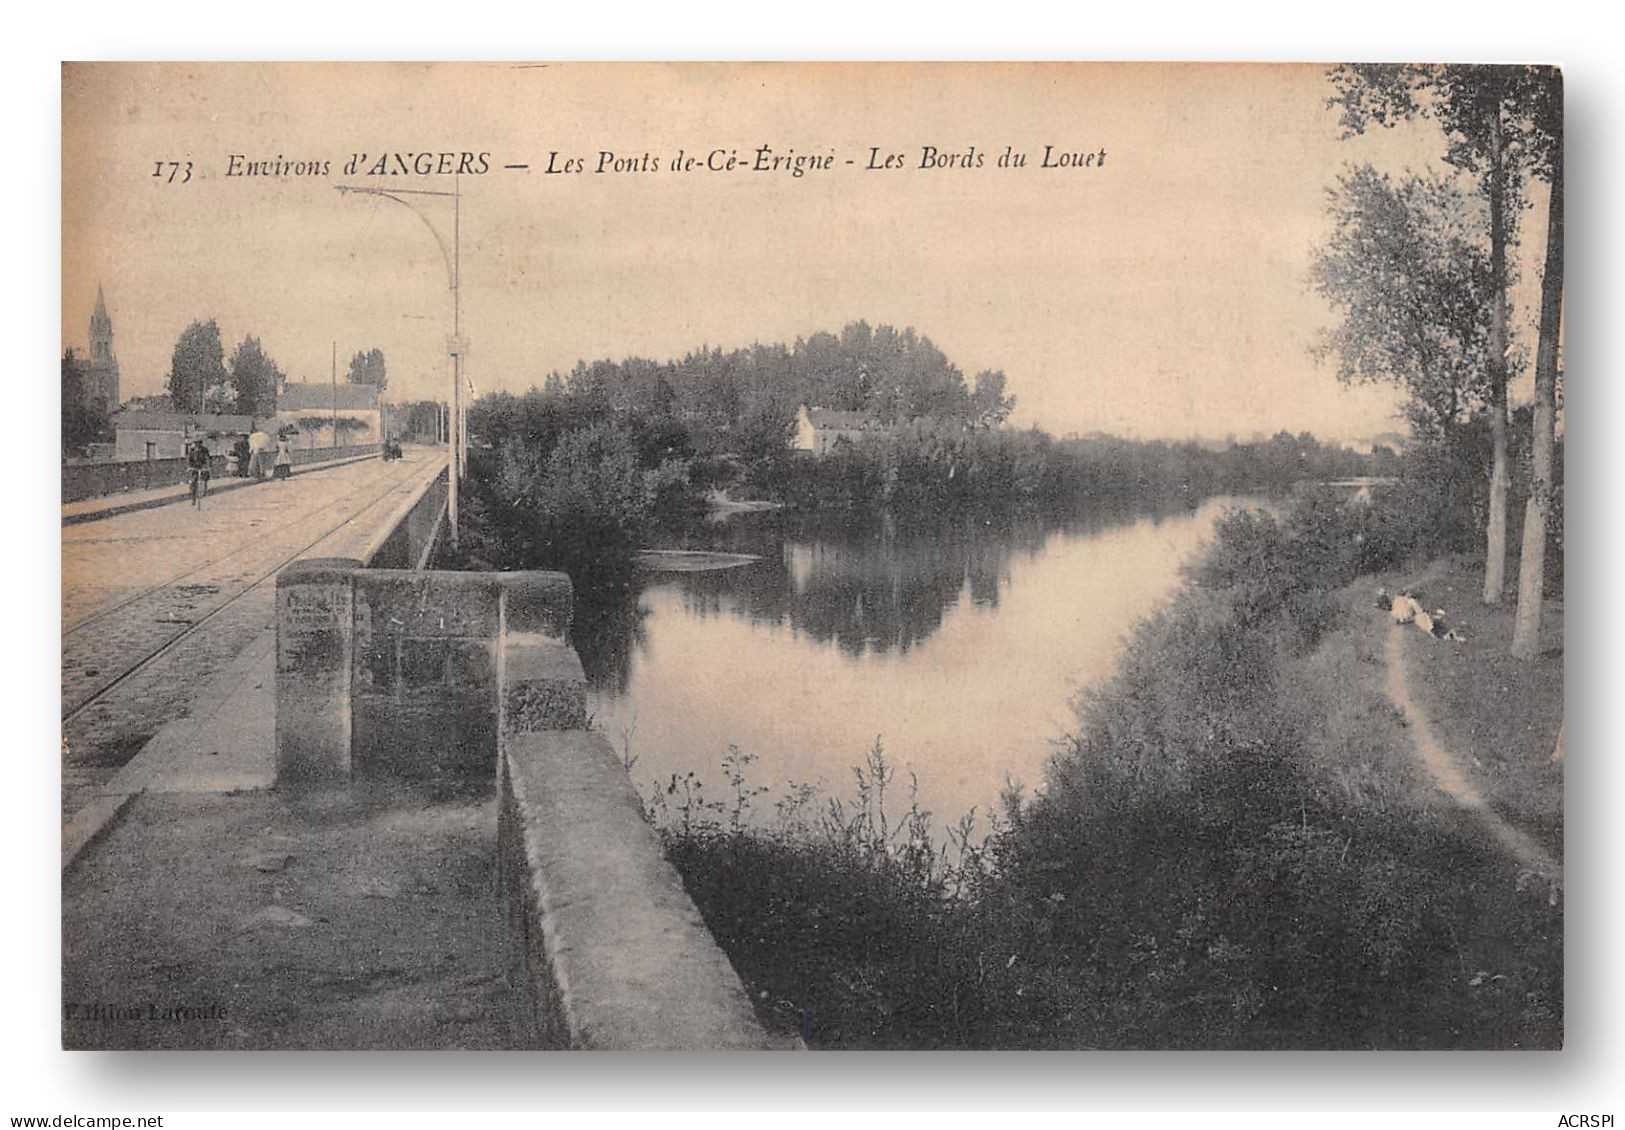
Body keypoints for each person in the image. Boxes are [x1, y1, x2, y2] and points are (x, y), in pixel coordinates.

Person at [186, 438, 212, 508]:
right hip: (195, 468)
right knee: (193, 482)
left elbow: (208, 459)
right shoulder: (192, 450)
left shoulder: (205, 450)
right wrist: (189, 467)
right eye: (196, 443)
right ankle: (193, 499)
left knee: (204, 479)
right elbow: (189, 459)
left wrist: (208, 467)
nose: (197, 445)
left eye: (199, 443)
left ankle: (205, 491)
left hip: (203, 467)